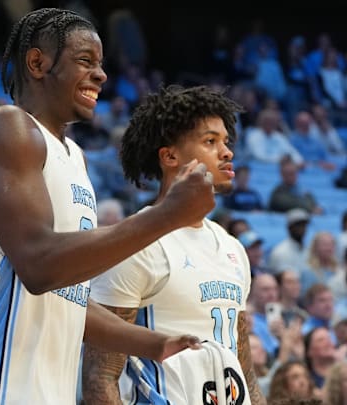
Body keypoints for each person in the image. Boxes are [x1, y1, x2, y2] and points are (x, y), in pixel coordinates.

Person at [0, 9, 219, 405]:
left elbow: (67, 295)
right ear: (37, 63)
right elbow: (39, 266)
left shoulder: (75, 158)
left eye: (101, 64)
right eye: (85, 61)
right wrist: (167, 216)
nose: (101, 75)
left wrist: (154, 344)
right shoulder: (9, 129)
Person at [82, 84, 265, 404]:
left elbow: (245, 371)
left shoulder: (233, 249)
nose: (227, 152)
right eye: (210, 141)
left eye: (226, 141)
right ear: (169, 156)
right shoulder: (137, 244)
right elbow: (101, 376)